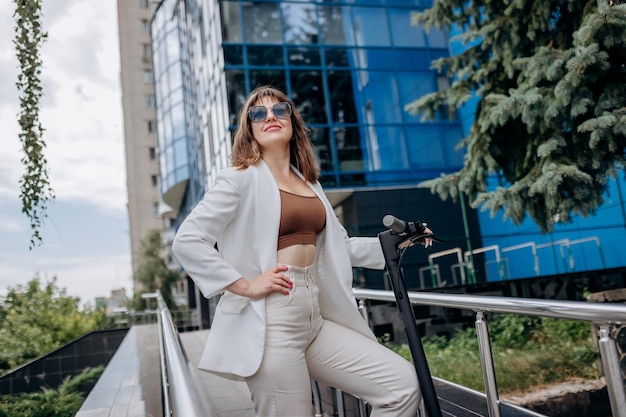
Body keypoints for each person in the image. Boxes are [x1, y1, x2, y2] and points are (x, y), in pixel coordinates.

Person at [172, 85, 434, 417]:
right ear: (249, 129)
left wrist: (399, 241)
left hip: (314, 315)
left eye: (279, 110)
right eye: (258, 113)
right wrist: (246, 286)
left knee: (401, 386)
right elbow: (188, 239)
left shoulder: (309, 183)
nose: (270, 116)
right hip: (272, 320)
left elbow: (339, 245)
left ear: (292, 121)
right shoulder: (239, 179)